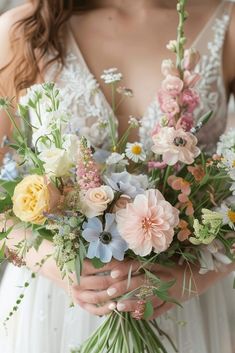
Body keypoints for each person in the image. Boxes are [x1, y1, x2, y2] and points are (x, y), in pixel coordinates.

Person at [0, 0, 235, 352]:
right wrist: (52, 261)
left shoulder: (226, 23)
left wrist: (198, 276)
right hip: (57, 304)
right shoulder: (27, 28)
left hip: (187, 302)